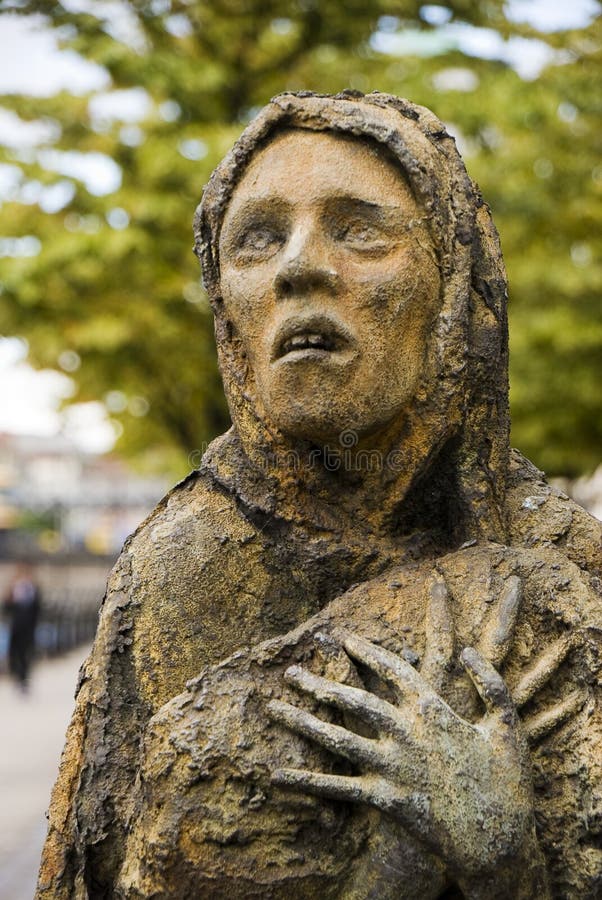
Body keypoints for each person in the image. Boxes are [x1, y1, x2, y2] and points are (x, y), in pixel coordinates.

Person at [37, 92, 601, 899]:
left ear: (452, 288)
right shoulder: (178, 575)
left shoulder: (560, 572)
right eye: (258, 239)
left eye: (359, 228)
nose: (300, 266)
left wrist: (502, 857)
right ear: (227, 314)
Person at [3, 563, 41, 690]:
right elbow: (6, 608)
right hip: (16, 626)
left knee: (26, 652)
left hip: (28, 627)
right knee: (15, 652)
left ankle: (24, 678)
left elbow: (38, 608)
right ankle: (17, 676)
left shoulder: (33, 588)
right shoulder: (13, 588)